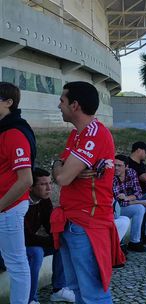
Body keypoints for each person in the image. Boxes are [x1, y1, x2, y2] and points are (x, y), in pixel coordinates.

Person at [51, 81, 125, 303]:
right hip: (72, 220)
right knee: (78, 291)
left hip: (87, 223)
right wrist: (59, 163)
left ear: (75, 105)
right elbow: (60, 168)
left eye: (62, 101)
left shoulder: (94, 134)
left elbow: (62, 177)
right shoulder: (76, 135)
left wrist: (62, 168)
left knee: (93, 293)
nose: (58, 105)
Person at [0, 82, 35, 303]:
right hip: (5, 207)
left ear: (8, 102)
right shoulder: (4, 130)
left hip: (8, 208)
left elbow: (26, 180)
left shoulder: (14, 133)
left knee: (16, 263)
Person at [25, 168, 76, 303]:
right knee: (36, 252)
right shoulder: (21, 203)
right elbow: (26, 237)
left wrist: (59, 238)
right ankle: (30, 299)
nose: (49, 188)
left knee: (62, 243)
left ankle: (59, 289)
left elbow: (50, 227)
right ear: (30, 187)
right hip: (9, 248)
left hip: (27, 243)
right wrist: (53, 240)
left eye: (50, 183)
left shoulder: (44, 200)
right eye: (43, 184)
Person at [113, 155, 146, 253]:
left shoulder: (131, 172)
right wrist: (140, 202)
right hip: (117, 209)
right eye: (114, 165)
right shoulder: (111, 177)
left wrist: (127, 198)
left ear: (126, 167)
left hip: (129, 203)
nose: (116, 168)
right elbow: (120, 202)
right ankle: (134, 242)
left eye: (119, 165)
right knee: (139, 208)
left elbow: (138, 192)